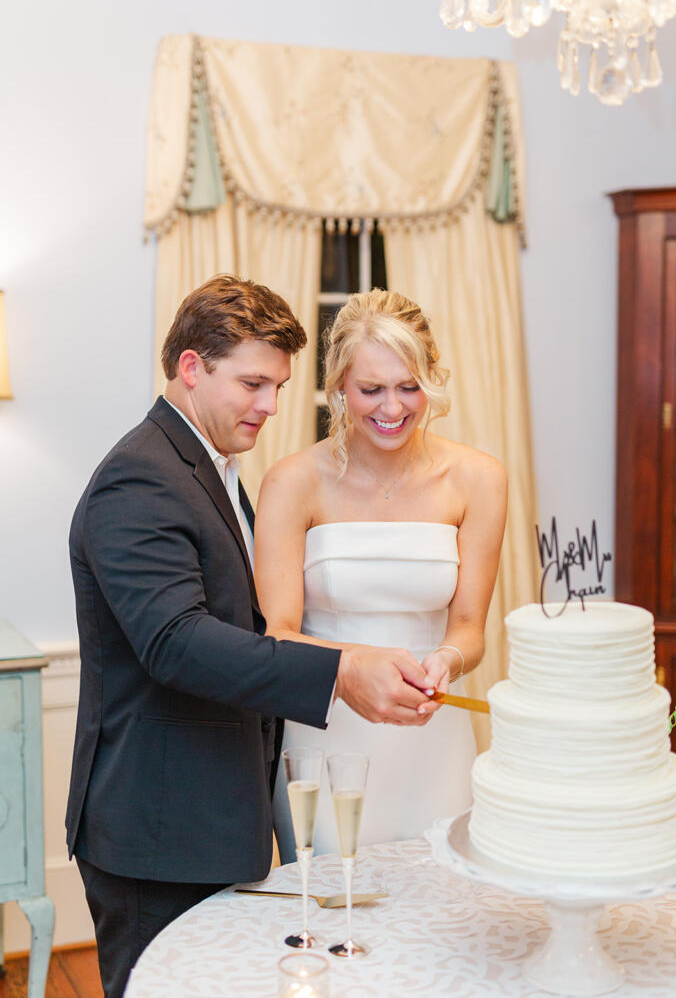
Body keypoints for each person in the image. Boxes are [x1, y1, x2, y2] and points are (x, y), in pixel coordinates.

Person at [65, 275, 439, 998]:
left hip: (209, 817)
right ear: (192, 367)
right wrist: (339, 671)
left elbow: (247, 625)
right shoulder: (140, 477)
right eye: (253, 384)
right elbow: (176, 642)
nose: (270, 406)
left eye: (278, 387)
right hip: (157, 828)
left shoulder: (210, 468)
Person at [255, 289, 507, 863]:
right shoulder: (293, 481)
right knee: (330, 895)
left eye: (409, 386)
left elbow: (470, 628)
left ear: (431, 379)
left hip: (432, 740)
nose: (392, 407)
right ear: (340, 386)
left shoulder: (479, 479)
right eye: (371, 389)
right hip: (323, 737)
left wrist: (446, 661)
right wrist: (355, 665)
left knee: (442, 895)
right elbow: (277, 635)